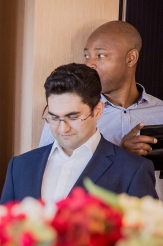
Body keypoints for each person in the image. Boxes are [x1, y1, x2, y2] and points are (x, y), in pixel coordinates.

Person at [1, 63, 157, 204]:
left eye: (73, 117)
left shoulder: (133, 170)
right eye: (54, 117)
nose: (63, 128)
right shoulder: (20, 166)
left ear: (98, 110)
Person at [38, 21, 163, 196]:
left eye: (100, 55)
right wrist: (121, 154)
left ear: (131, 58)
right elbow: (50, 170)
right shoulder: (66, 115)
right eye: (86, 55)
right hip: (89, 211)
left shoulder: (160, 112)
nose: (89, 64)